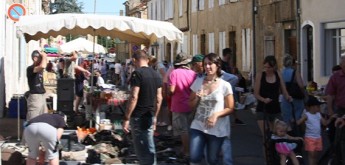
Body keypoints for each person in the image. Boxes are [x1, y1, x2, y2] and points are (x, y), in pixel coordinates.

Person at [191, 54, 238, 165]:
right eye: (205, 64)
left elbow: (231, 108)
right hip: (198, 125)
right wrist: (197, 98)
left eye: (210, 63)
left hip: (217, 129)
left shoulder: (225, 85)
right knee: (194, 157)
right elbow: (190, 105)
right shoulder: (198, 82)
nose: (207, 67)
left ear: (217, 65)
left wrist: (216, 115)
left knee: (212, 160)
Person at [122, 50, 163, 165]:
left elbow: (134, 96)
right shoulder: (156, 74)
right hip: (150, 115)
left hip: (138, 116)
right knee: (149, 146)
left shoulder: (137, 73)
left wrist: (126, 118)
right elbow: (159, 98)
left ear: (135, 60)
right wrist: (155, 116)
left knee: (142, 149)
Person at [254, 55, 292, 136]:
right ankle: (266, 147)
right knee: (266, 136)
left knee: (278, 134)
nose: (266, 69)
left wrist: (288, 96)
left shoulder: (278, 74)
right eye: (265, 67)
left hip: (275, 108)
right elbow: (256, 94)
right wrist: (264, 99)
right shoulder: (260, 75)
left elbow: (284, 90)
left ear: (274, 67)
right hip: (262, 108)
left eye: (269, 68)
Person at [168, 52, 196, 157]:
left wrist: (169, 93)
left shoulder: (174, 73)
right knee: (190, 128)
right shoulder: (193, 74)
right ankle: (189, 149)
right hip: (191, 104)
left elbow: (172, 90)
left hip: (178, 105)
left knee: (183, 130)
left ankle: (187, 152)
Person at [297, 95, 336, 165]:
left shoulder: (318, 115)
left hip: (318, 138)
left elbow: (324, 123)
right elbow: (299, 122)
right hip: (310, 138)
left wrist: (331, 118)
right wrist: (295, 121)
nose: (319, 108)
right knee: (311, 155)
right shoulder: (307, 115)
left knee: (315, 155)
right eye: (317, 106)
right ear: (312, 107)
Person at [280, 55, 306, 131]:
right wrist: (304, 94)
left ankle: (288, 134)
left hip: (285, 97)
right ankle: (295, 131)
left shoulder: (281, 72)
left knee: (286, 117)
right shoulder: (295, 72)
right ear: (292, 63)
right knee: (297, 114)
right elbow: (301, 85)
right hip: (296, 97)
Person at [221, 48, 246, 125]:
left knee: (231, 103)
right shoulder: (221, 64)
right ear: (227, 54)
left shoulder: (228, 63)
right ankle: (228, 119)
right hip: (224, 86)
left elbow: (230, 73)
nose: (231, 56)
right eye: (230, 54)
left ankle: (235, 118)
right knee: (227, 103)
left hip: (230, 85)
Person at [26, 50, 48, 120]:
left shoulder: (39, 68)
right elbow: (43, 65)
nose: (42, 60)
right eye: (40, 58)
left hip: (42, 96)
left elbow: (44, 64)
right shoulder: (30, 68)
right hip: (35, 97)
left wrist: (43, 56)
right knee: (33, 119)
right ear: (35, 58)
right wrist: (44, 56)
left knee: (44, 118)